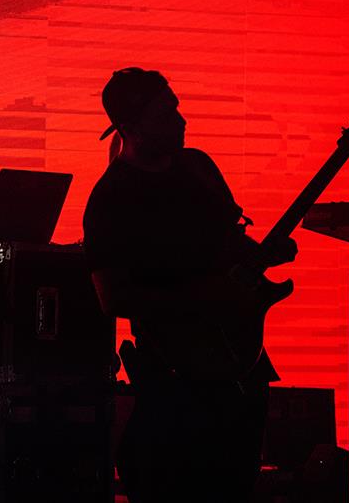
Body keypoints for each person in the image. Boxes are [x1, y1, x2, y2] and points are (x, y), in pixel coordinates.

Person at [82, 68, 296, 503]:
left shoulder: (198, 167)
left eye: (177, 109)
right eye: (166, 114)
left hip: (242, 365)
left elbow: (230, 242)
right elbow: (112, 297)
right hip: (176, 375)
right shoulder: (111, 197)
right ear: (130, 126)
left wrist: (264, 253)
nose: (181, 121)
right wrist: (204, 296)